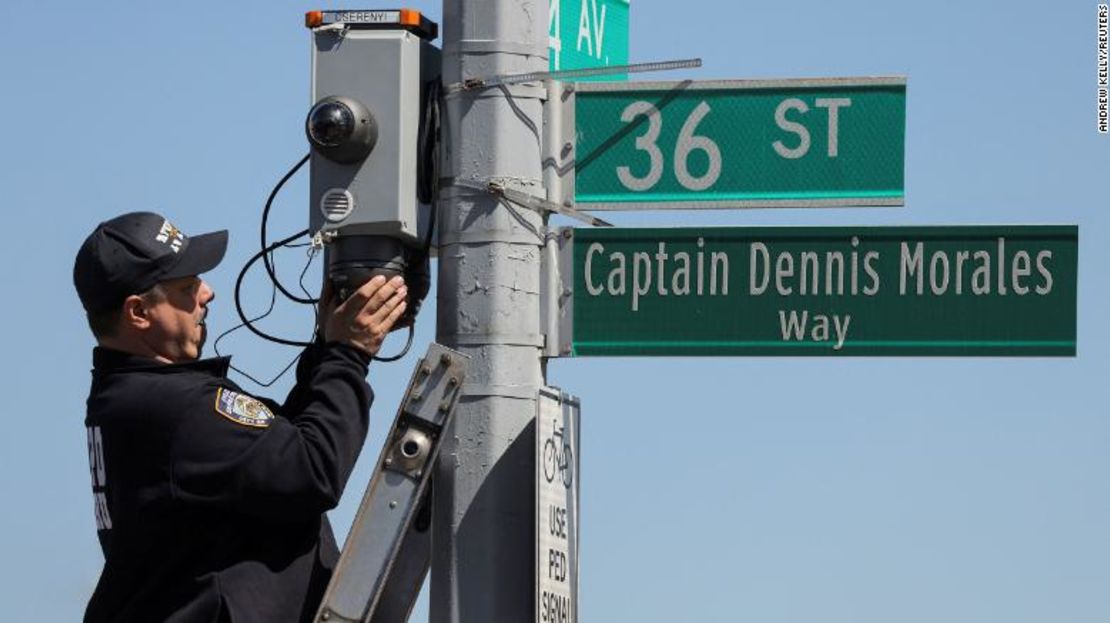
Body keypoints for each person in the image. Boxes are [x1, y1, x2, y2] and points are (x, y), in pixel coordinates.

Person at [73, 211, 408, 622]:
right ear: (139, 312)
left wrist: (328, 350)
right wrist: (348, 355)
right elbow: (312, 468)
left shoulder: (131, 400)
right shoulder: (172, 408)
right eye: (186, 287)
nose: (207, 293)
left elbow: (276, 450)